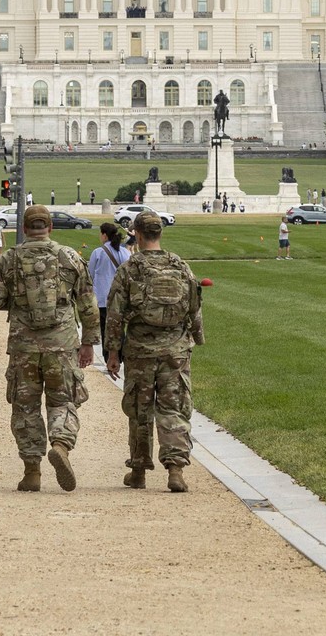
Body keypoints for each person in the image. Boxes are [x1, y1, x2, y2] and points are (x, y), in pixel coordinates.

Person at [0, 204, 98, 492]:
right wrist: (88, 342)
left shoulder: (10, 260)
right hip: (62, 343)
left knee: (25, 407)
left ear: (24, 228)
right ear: (50, 227)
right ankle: (60, 443)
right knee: (63, 401)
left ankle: (32, 470)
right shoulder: (69, 257)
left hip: (24, 345)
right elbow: (87, 304)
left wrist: (16, 300)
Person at [104, 210, 203, 493]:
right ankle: (175, 469)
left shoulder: (130, 268)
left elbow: (115, 314)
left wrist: (113, 352)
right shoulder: (180, 265)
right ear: (160, 232)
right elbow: (195, 306)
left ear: (136, 232)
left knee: (139, 409)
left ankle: (138, 468)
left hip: (140, 349)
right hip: (175, 349)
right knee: (174, 408)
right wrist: (195, 338)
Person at [88, 223, 130, 339]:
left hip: (103, 299)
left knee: (106, 333)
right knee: (120, 332)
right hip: (120, 298)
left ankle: (109, 356)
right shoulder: (125, 252)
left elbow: (89, 275)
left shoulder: (98, 252)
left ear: (105, 235)